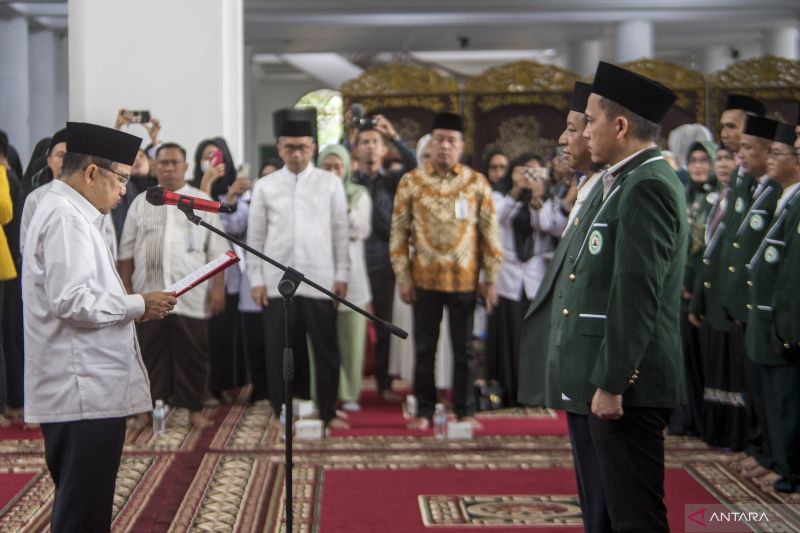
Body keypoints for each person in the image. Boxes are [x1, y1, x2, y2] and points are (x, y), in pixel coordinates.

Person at [22, 121, 176, 532]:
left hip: (83, 385)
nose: (125, 190)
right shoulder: (65, 218)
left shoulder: (70, 210)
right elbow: (72, 301)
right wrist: (138, 304)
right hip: (80, 388)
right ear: (91, 172)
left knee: (84, 503)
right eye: (121, 179)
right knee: (82, 510)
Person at [558, 61, 685, 532]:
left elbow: (637, 292)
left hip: (630, 382)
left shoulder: (647, 184)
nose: (584, 132)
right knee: (609, 511)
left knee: (635, 515)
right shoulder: (624, 179)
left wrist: (612, 381)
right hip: (610, 376)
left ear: (621, 125)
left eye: (590, 121)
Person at [390, 112, 502, 430]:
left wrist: (490, 278)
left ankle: (465, 410)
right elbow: (398, 234)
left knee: (465, 350)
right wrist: (403, 276)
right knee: (424, 348)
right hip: (423, 278)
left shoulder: (475, 182)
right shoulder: (412, 182)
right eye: (439, 139)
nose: (444, 146)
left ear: (461, 146)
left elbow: (489, 232)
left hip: (465, 280)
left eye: (451, 141)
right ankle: (424, 410)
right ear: (430, 143)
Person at [118, 142, 228, 430]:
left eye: (174, 162)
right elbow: (126, 254)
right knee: (148, 354)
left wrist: (217, 289)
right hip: (148, 293)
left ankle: (193, 409)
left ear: (186, 166)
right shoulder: (141, 202)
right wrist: (129, 294)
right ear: (154, 167)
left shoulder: (201, 200)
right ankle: (145, 410)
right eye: (162, 162)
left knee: (193, 353)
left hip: (192, 295)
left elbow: (217, 251)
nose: (168, 167)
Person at [247, 120, 349, 429]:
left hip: (320, 278)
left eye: (303, 147)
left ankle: (328, 412)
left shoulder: (329, 183)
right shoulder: (265, 186)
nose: (296, 154)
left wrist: (342, 272)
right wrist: (256, 279)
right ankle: (283, 410)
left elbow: (340, 232)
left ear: (312, 149)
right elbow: (256, 236)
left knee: (325, 349)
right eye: (289, 147)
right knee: (280, 350)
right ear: (279, 149)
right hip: (278, 282)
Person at [719, 115, 781, 482]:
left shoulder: (776, 192)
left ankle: (777, 459)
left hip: (771, 311)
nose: (740, 155)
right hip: (751, 305)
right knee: (758, 388)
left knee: (777, 392)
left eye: (747, 148)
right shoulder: (756, 187)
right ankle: (764, 450)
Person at [486, 153, 567, 406]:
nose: (531, 177)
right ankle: (507, 391)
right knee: (509, 336)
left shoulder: (547, 198)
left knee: (533, 338)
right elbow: (496, 218)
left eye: (536, 172)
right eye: (526, 172)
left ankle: (533, 392)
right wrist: (517, 190)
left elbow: (551, 227)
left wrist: (537, 198)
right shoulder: (500, 195)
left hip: (534, 277)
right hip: (508, 278)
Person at [745, 120, 800, 493]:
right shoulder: (783, 197)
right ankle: (781, 463)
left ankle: (790, 468)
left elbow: (792, 273)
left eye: (777, 153)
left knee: (787, 402)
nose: (769, 160)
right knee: (774, 399)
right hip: (769, 318)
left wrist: (786, 328)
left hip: (785, 323)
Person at [351, 117, 417, 403]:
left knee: (384, 324)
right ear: (356, 149)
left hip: (382, 262)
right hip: (352, 261)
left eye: (374, 142)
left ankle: (383, 383)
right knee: (351, 325)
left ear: (382, 149)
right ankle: (349, 384)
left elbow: (416, 167)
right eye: (363, 142)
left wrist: (395, 136)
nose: (369, 147)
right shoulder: (349, 182)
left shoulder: (392, 180)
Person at [318, 144, 371, 412]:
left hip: (353, 276)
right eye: (326, 167)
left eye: (337, 167)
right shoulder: (310, 195)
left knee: (351, 338)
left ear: (347, 169)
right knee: (319, 336)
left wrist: (342, 204)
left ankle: (349, 392)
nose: (331, 172)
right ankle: (321, 391)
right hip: (319, 274)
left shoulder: (359, 194)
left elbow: (362, 228)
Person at [669, 140, 717, 438]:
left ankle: (706, 421)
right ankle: (685, 419)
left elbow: (710, 249)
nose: (699, 166)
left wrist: (693, 284)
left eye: (704, 160)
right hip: (679, 291)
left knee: (705, 359)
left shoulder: (717, 201)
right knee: (683, 357)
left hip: (705, 292)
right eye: (694, 160)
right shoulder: (682, 195)